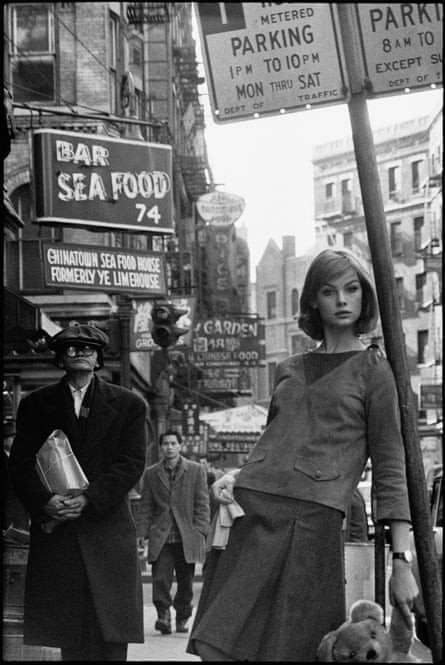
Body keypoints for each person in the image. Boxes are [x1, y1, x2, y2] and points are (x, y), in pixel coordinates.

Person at [187, 248, 419, 662]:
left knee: (295, 652)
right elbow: (278, 438)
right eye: (329, 291)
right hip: (250, 512)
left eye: (352, 290)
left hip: (312, 523)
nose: (343, 300)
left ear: (365, 297)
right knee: (216, 646)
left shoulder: (375, 371)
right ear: (313, 299)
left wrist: (402, 559)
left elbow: (390, 467)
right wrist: (236, 475)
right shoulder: (289, 367)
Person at [8, 324, 147, 661]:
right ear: (60, 357)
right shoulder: (35, 404)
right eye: (72, 348)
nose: (81, 354)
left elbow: (130, 464)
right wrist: (45, 503)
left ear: (99, 357)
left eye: (89, 349)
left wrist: (89, 498)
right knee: (68, 635)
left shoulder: (129, 404)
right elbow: (21, 464)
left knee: (110, 634)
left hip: (107, 530)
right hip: (60, 533)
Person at [138, 430, 210, 635]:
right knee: (160, 578)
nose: (169, 447)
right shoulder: (151, 473)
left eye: (173, 443)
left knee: (186, 582)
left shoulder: (196, 470)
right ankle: (163, 615)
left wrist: (200, 531)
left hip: (187, 535)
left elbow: (202, 504)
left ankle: (182, 616)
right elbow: (145, 505)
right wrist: (142, 534)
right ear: (160, 447)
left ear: (180, 445)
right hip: (162, 536)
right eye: (165, 444)